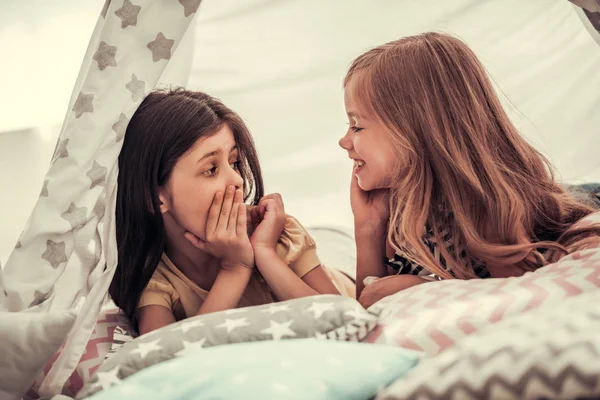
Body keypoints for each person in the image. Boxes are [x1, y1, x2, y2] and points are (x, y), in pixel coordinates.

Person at [338, 32, 600, 308]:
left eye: (357, 126)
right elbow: (368, 306)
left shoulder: (486, 205)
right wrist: (367, 225)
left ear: (417, 132)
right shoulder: (398, 208)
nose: (344, 141)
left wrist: (425, 288)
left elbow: (519, 300)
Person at [110, 88, 353, 334]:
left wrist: (265, 253)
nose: (237, 179)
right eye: (211, 169)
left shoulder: (278, 233)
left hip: (342, 266)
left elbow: (345, 321)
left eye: (235, 162)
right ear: (153, 198)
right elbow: (170, 359)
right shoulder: (156, 281)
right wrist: (234, 268)